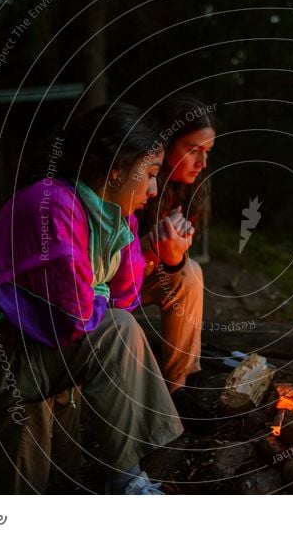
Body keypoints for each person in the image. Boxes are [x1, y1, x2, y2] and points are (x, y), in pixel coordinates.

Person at [0, 103, 184, 494]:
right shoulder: (54, 207)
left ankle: (124, 475)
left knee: (118, 328)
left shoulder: (115, 218)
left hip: (21, 343)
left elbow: (123, 300)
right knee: (117, 332)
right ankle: (127, 481)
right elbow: (74, 319)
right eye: (149, 175)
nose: (154, 190)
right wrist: (99, 293)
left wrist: (150, 251)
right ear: (116, 171)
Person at [129, 96, 215, 408]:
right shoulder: (133, 180)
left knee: (190, 273)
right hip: (108, 284)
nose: (202, 163)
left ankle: (177, 388)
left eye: (207, 152)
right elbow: (109, 263)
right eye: (193, 150)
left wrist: (173, 256)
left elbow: (173, 261)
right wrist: (152, 248)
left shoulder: (192, 189)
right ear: (165, 143)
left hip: (144, 274)